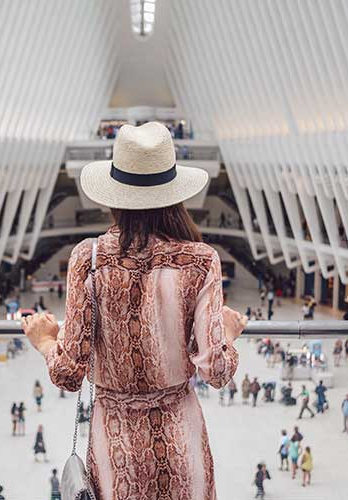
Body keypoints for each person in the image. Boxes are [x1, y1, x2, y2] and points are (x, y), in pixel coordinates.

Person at [22, 122, 245, 500]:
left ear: (114, 196)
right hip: (181, 440)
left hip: (115, 445)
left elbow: (68, 373)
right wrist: (229, 333)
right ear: (176, 195)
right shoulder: (201, 261)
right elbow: (217, 371)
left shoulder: (88, 259)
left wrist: (44, 341)